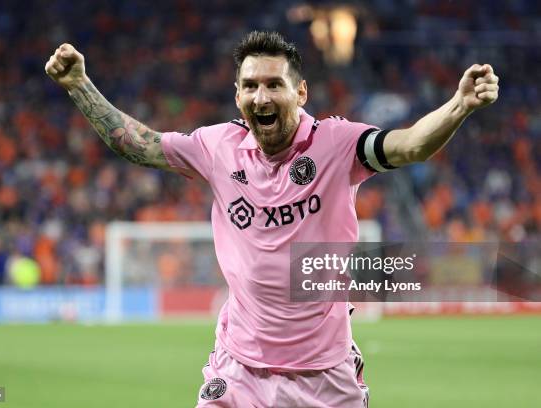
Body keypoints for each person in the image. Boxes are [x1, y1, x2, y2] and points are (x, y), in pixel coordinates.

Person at [45, 31, 499, 407]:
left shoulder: (337, 144)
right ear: (238, 95)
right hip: (238, 368)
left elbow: (409, 145)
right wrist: (80, 85)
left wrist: (459, 105)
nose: (261, 96)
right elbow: (139, 144)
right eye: (250, 86)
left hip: (324, 375)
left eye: (274, 84)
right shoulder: (216, 146)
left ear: (300, 93)